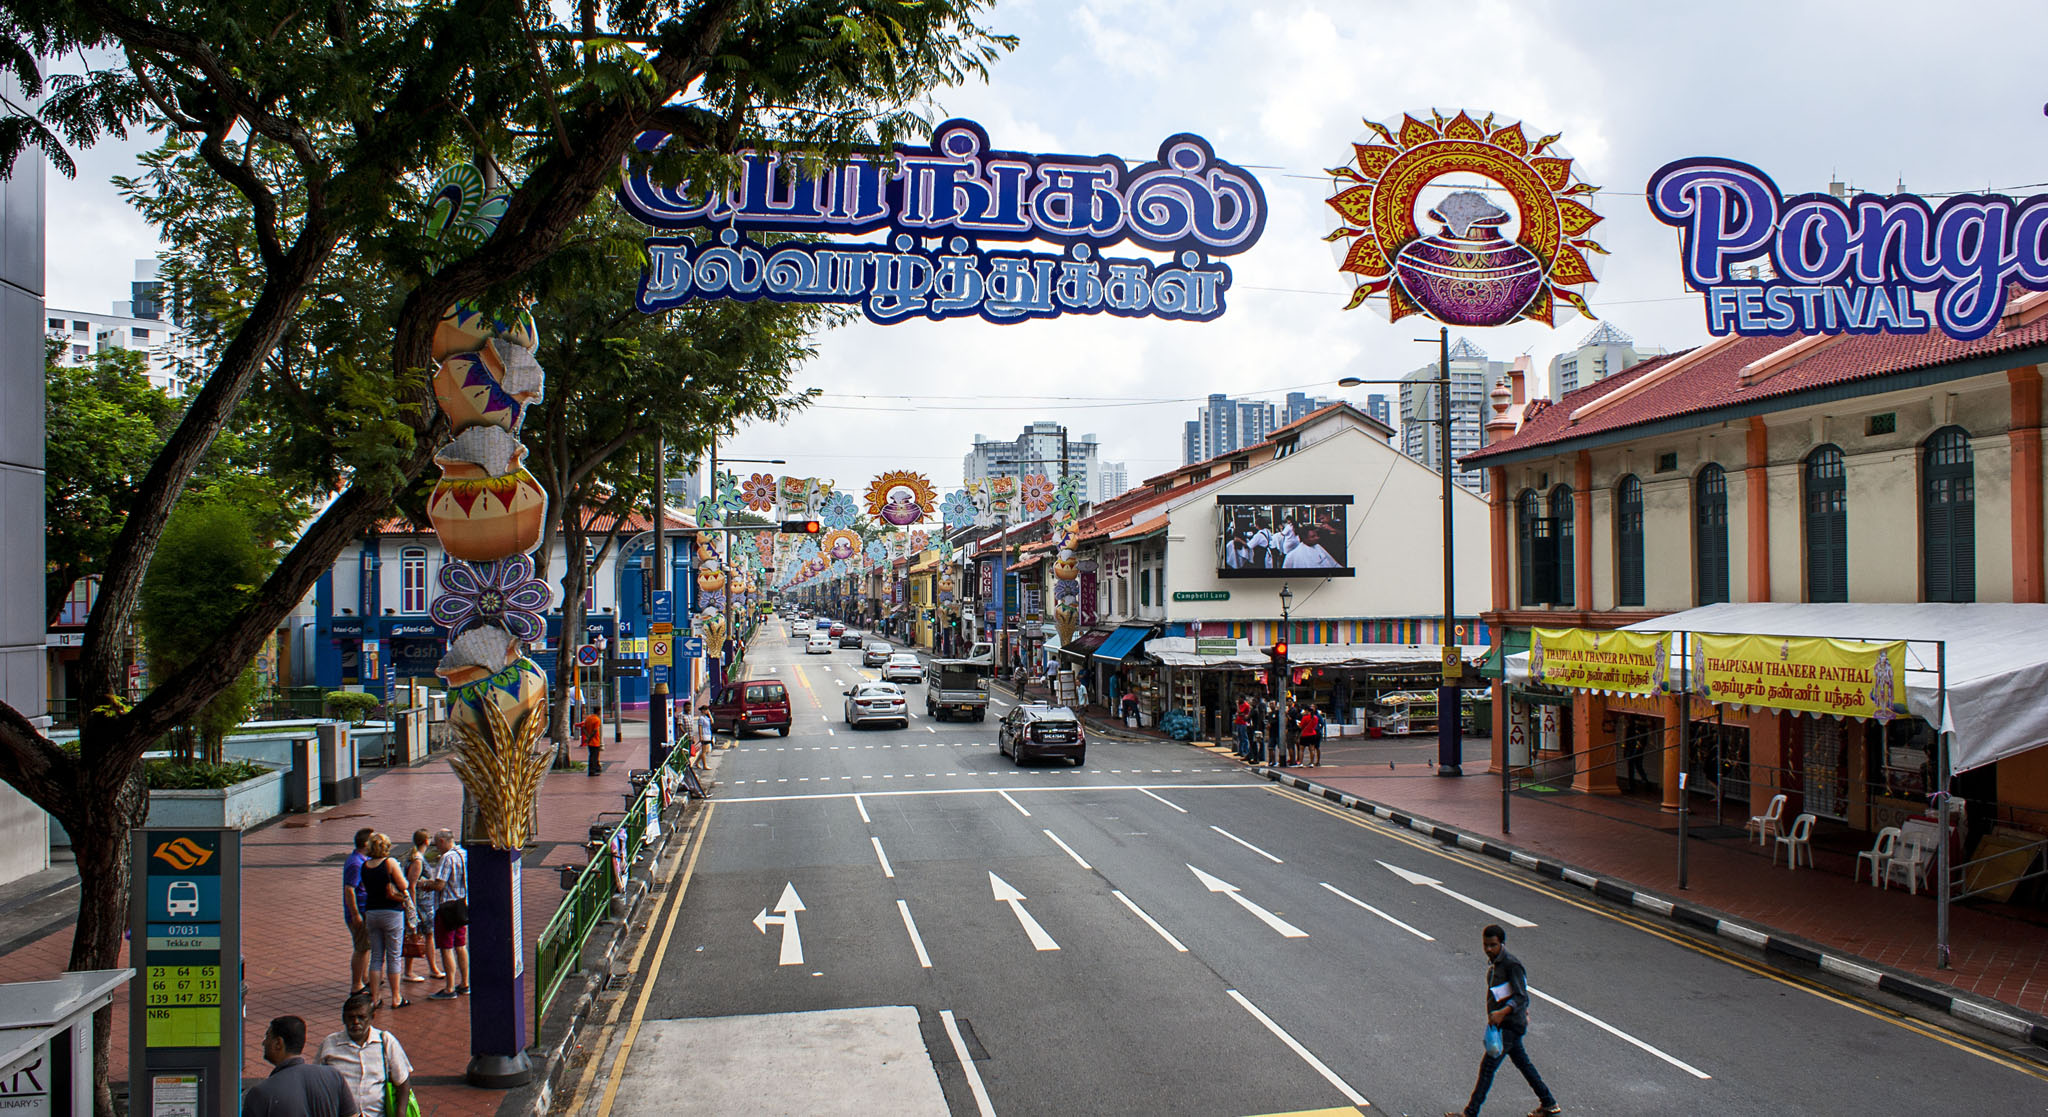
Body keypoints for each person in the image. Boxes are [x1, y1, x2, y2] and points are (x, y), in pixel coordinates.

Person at [1449, 924, 1560, 1117]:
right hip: (1505, 1024)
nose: (1488, 949)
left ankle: (1470, 1113)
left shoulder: (1511, 965)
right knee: (1524, 1064)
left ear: (1502, 944)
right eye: (1485, 945)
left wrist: (1502, 1013)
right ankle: (1549, 1103)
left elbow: (1521, 996)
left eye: (1493, 945)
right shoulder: (1496, 964)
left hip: (1509, 1025)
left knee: (1487, 1069)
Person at [245, 1015, 358, 1117]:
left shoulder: (260, 1093)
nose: (263, 1043)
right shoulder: (334, 1076)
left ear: (278, 1043)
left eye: (267, 1037)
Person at [319, 994, 412, 1117]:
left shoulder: (385, 1041)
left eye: (361, 1017)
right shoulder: (330, 1043)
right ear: (343, 1019)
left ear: (372, 1017)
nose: (356, 1022)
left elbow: (402, 1082)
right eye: (351, 1017)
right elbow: (317, 1080)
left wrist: (400, 1114)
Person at [358, 834, 410, 1009]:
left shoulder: (365, 866)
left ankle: (375, 998)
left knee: (376, 956)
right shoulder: (390, 863)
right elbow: (403, 885)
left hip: (372, 911)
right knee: (394, 956)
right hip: (391, 911)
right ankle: (396, 997)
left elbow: (365, 887)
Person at [425, 829, 470, 999]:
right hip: (462, 904)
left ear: (443, 841)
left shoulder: (447, 858)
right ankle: (465, 983)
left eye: (437, 843)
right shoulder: (464, 853)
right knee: (461, 945)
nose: (436, 847)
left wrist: (425, 884)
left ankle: (450, 987)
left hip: (447, 907)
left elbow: (440, 885)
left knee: (446, 947)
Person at [401, 831, 444, 986]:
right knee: (425, 935)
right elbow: (411, 885)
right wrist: (412, 907)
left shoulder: (415, 858)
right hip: (421, 904)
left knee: (422, 934)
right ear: (426, 841)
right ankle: (417, 970)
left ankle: (428, 968)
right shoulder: (418, 860)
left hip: (424, 903)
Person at [342, 829, 373, 994]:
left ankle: (365, 978)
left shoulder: (362, 860)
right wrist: (355, 914)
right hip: (359, 911)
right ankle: (356, 984)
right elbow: (350, 889)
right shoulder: (356, 863)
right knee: (361, 948)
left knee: (366, 946)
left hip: (364, 909)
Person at [581, 707, 604, 777]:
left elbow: (584, 727)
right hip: (595, 741)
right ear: (598, 711)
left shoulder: (588, 718)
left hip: (590, 742)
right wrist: (589, 738)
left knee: (593, 755)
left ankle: (597, 768)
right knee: (594, 757)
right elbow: (595, 730)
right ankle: (592, 771)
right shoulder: (597, 720)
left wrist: (587, 736)